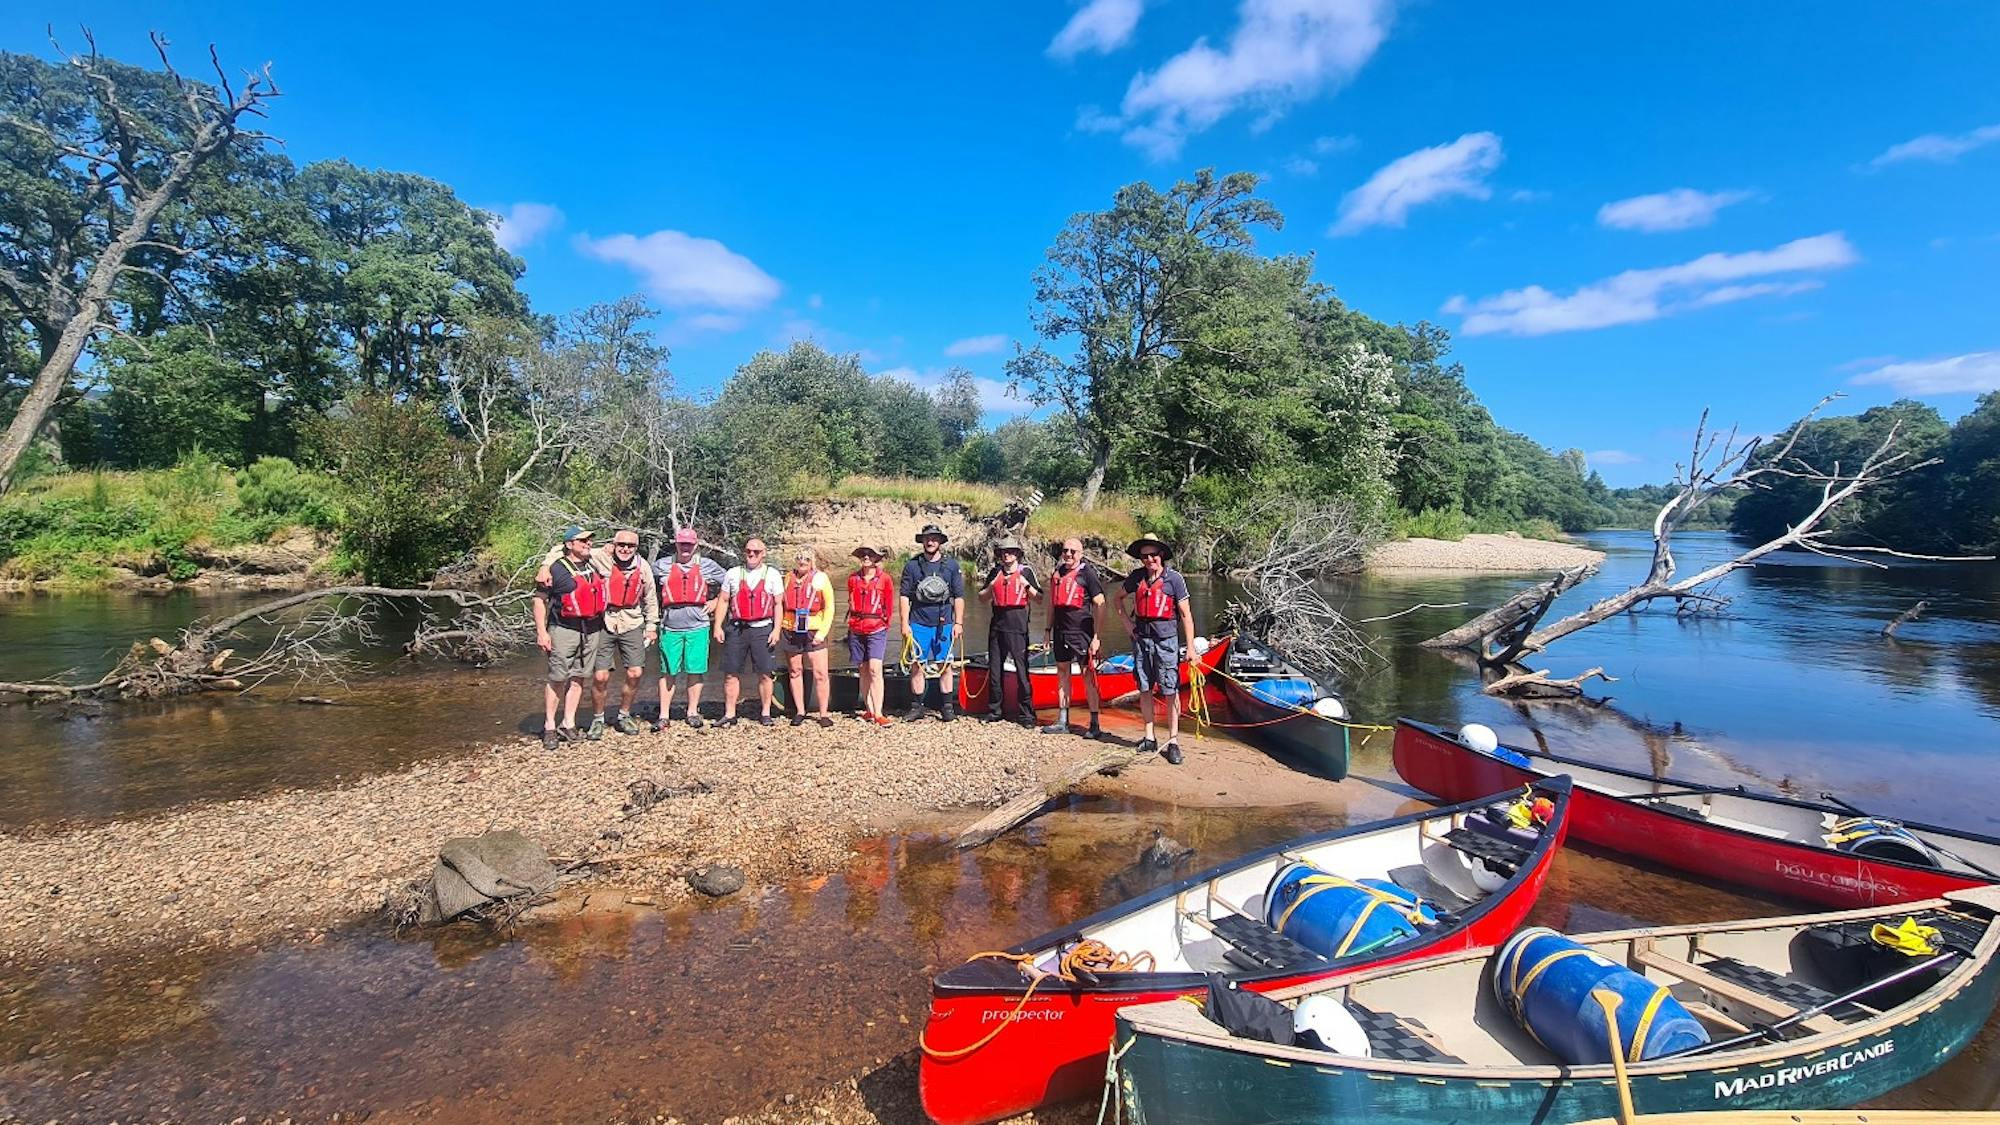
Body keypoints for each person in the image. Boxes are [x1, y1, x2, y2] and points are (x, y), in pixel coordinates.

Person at [536, 527, 660, 738]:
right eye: (621, 544)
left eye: (631, 546)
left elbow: (650, 597)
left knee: (635, 673)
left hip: (632, 620)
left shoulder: (643, 566)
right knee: (599, 676)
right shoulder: (598, 557)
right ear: (613, 545)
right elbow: (564, 549)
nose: (625, 549)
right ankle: (597, 718)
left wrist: (651, 626)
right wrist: (546, 566)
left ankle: (623, 714)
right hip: (605, 621)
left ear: (637, 548)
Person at [1114, 534, 1197, 765]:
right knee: (1144, 687)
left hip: (1167, 642)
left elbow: (1185, 615)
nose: (1149, 559)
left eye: (1153, 555)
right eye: (1144, 556)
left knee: (1170, 690)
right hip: (1142, 640)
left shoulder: (1175, 580)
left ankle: (1173, 741)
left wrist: (1191, 647)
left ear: (1161, 555)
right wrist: (1128, 625)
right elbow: (1117, 599)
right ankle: (1149, 736)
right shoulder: (1136, 578)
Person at [532, 525, 609, 749]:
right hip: (563, 629)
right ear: (569, 544)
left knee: (578, 677)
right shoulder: (554, 569)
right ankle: (549, 726)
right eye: (582, 541)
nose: (588, 544)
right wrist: (541, 632)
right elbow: (539, 600)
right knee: (557, 677)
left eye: (589, 540)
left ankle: (568, 723)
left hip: (591, 629)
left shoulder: (592, 563)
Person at [654, 527, 726, 731]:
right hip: (670, 625)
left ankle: (692, 711)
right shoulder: (661, 565)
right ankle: (664, 714)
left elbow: (730, 583)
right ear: (676, 544)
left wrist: (715, 601)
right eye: (681, 543)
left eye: (689, 544)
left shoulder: (707, 565)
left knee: (695, 669)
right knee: (668, 670)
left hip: (698, 624)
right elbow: (645, 583)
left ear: (695, 545)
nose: (685, 547)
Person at [714, 537, 784, 727]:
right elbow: (724, 600)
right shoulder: (733, 573)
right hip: (737, 628)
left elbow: (778, 605)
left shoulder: (773, 575)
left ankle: (766, 712)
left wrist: (776, 630)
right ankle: (729, 713)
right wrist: (717, 626)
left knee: (765, 673)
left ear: (764, 553)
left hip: (762, 628)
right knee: (731, 673)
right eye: (748, 551)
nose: (752, 555)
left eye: (756, 552)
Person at [899, 523, 964, 722]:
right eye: (927, 538)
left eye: (934, 538)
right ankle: (917, 706)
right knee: (917, 664)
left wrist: (958, 623)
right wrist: (904, 624)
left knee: (945, 664)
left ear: (940, 542)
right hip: (918, 622)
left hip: (944, 623)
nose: (930, 541)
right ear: (922, 541)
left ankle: (947, 707)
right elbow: (904, 597)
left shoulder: (951, 566)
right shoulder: (912, 566)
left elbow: (959, 597)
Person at [1041, 537, 1106, 739]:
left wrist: (1096, 636)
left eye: (1073, 551)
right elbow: (1052, 603)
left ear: (1081, 553)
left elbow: (1100, 603)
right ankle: (1063, 720)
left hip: (1082, 632)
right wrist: (1047, 629)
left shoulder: (1088, 574)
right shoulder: (1057, 573)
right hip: (1061, 631)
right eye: (1065, 551)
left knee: (1088, 675)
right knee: (1062, 672)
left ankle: (1094, 723)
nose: (1068, 554)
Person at [978, 535, 1042, 727]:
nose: (1007, 555)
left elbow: (1039, 598)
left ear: (1017, 555)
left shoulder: (1027, 572)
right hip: (997, 624)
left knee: (1022, 671)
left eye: (1011, 552)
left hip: (1018, 625)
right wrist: (991, 587)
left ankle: (1026, 714)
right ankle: (995, 711)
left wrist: (1026, 584)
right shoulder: (995, 572)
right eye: (1004, 552)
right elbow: (982, 598)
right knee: (995, 670)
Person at [780, 545, 837, 728]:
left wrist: (822, 633)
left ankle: (824, 714)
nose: (802, 563)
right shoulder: (788, 578)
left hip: (814, 629)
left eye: (806, 560)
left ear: (812, 562)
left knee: (820, 673)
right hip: (791, 628)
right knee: (795, 671)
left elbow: (829, 608)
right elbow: (780, 604)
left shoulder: (821, 579)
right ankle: (800, 711)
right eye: (799, 559)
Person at [846, 545, 897, 725]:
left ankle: (879, 712)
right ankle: (869, 709)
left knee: (875, 669)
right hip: (856, 628)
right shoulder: (853, 579)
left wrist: (885, 625)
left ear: (877, 558)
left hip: (877, 628)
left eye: (870, 555)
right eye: (863, 555)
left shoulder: (885, 580)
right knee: (862, 668)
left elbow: (889, 606)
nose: (866, 557)